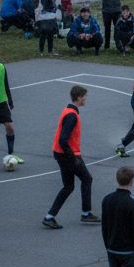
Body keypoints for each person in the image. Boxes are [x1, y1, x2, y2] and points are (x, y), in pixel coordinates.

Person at [42, 85, 99, 228]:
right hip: (67, 155)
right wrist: (73, 157)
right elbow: (63, 139)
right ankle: (86, 213)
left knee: (68, 187)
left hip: (60, 154)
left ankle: (50, 217)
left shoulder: (67, 110)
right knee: (87, 179)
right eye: (85, 96)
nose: (86, 99)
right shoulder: (72, 116)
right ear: (79, 98)